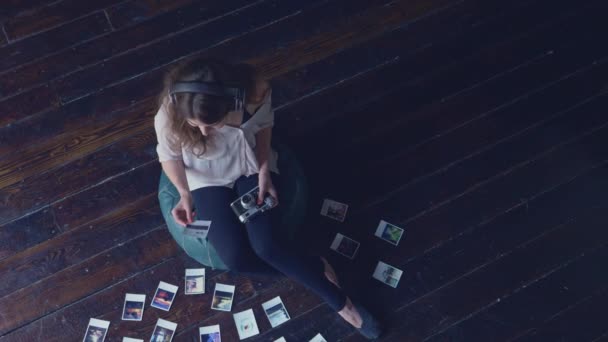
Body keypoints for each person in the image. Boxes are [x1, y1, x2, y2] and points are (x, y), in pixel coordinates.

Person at [153, 57, 383, 339]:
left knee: (268, 246)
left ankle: (343, 305)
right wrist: (184, 193)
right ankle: (312, 268)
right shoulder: (170, 111)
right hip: (205, 178)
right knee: (236, 258)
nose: (203, 132)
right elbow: (169, 155)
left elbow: (264, 129)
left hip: (248, 166)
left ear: (231, 101)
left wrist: (264, 171)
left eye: (212, 124)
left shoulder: (254, 92)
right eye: (195, 125)